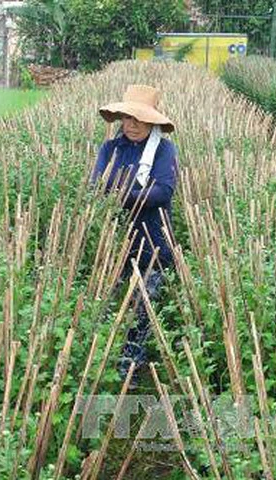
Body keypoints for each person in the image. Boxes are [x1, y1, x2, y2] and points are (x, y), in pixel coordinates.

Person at [91, 84, 178, 385]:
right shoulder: (110, 148)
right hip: (115, 241)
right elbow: (96, 185)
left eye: (139, 119)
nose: (132, 125)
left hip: (152, 241)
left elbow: (163, 192)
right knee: (109, 304)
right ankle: (103, 363)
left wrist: (119, 193)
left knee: (143, 309)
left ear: (153, 122)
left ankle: (131, 366)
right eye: (128, 118)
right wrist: (135, 193)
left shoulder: (164, 150)